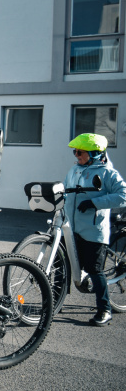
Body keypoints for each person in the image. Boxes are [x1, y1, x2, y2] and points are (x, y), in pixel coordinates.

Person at [65, 133, 126, 327]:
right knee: (64, 267)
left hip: (93, 230)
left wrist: (95, 202)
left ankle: (105, 310)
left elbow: (123, 196)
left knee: (94, 269)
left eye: (80, 152)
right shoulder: (74, 170)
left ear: (95, 153)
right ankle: (51, 304)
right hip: (71, 229)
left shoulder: (108, 173)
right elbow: (65, 192)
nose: (76, 155)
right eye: (75, 151)